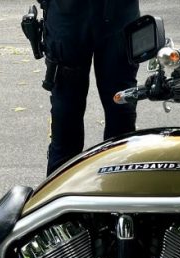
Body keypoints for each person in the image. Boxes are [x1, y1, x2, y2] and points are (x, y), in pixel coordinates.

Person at [43, 0, 141, 175]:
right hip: (68, 18)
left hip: (118, 16)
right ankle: (61, 189)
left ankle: (119, 186)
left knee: (121, 116)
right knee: (65, 122)